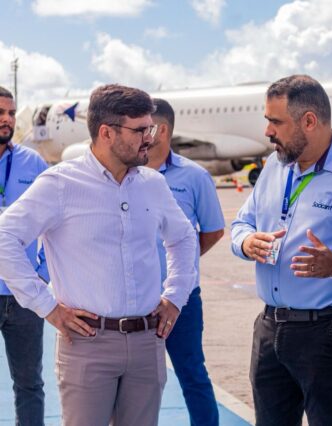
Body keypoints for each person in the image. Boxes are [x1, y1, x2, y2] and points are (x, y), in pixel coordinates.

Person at [0, 84, 197, 426]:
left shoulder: (152, 183)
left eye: (149, 128)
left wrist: (176, 296)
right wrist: (46, 306)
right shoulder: (60, 184)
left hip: (147, 343)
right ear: (107, 132)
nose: (149, 137)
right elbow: (5, 238)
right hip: (87, 344)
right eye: (140, 130)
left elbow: (183, 238)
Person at [231, 75, 332, 426]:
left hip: (328, 331)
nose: (268, 132)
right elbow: (240, 224)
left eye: (276, 122)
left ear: (309, 121)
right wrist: (246, 242)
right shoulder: (275, 166)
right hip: (270, 327)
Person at [146, 98, 225, 426]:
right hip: (134, 302)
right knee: (137, 385)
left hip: (182, 301)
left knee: (192, 375)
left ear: (161, 131)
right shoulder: (125, 173)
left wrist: (181, 265)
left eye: (143, 125)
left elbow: (213, 231)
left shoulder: (194, 177)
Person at [0, 86, 49, 425]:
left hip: (24, 296)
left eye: (11, 113)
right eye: (0, 113)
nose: (7, 120)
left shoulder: (33, 162)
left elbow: (59, 222)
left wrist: (42, 272)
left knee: (29, 384)